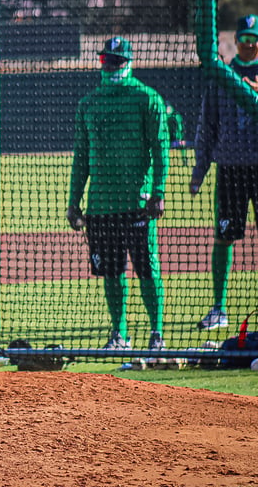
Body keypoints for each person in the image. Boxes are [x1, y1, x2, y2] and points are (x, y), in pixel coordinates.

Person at [66, 37, 170, 351]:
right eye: (105, 60)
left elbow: (160, 149)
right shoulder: (88, 104)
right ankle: (119, 333)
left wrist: (159, 191)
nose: (110, 66)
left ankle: (157, 334)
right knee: (111, 273)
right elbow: (81, 157)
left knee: (147, 269)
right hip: (100, 206)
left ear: (128, 62)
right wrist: (74, 202)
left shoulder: (147, 99)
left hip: (137, 205)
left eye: (116, 60)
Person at [190, 14, 258, 330]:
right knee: (224, 236)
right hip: (231, 168)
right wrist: (200, 170)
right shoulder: (222, 76)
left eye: (254, 38)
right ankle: (218, 308)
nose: (249, 44)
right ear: (236, 40)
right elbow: (207, 126)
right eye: (243, 38)